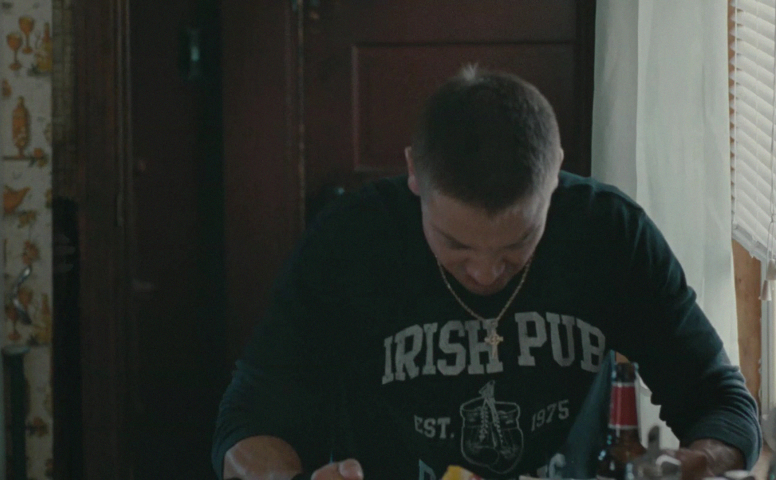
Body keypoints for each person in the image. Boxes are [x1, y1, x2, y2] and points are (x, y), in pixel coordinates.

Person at [212, 66, 762, 480]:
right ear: (414, 174)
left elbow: (721, 401)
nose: (484, 271)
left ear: (554, 177)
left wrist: (696, 462)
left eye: (519, 242)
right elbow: (248, 418)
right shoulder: (351, 241)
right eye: (454, 243)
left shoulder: (609, 232)